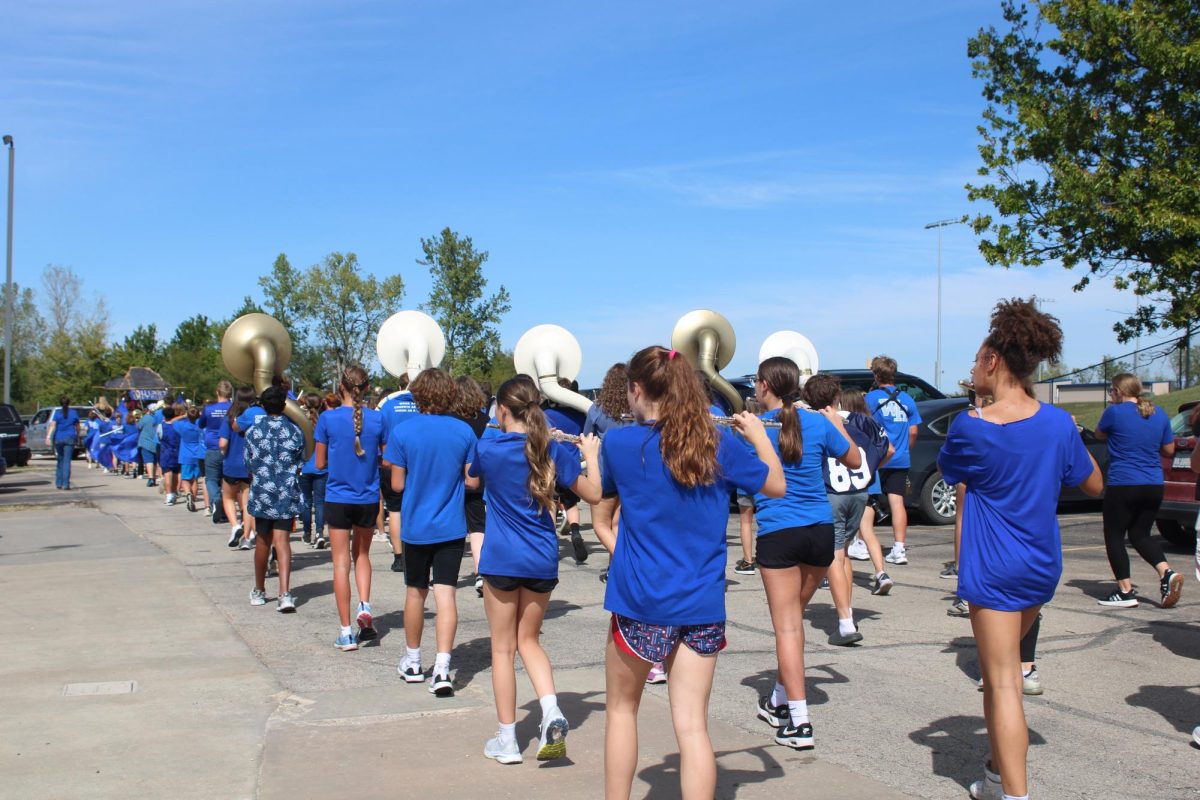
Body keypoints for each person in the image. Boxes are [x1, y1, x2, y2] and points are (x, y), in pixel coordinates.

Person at [590, 346, 784, 800]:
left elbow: (601, 499)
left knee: (621, 711)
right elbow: (776, 484)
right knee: (692, 724)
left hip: (640, 601)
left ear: (636, 390)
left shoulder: (619, 444)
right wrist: (757, 434)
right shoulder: (716, 442)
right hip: (700, 603)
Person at [937, 298, 1103, 800]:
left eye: (975, 359)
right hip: (1040, 564)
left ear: (993, 361)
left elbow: (950, 472)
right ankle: (993, 777)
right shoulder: (1057, 423)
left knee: (1003, 684)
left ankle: (1015, 794)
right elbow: (1094, 485)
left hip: (994, 569)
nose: (971, 369)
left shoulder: (972, 426)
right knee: (999, 672)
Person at [471, 375, 602, 764]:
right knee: (529, 641)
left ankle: (508, 739)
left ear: (503, 410)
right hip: (541, 558)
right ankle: (552, 711)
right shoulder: (552, 450)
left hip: (502, 558)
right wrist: (590, 455)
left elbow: (471, 479)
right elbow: (594, 494)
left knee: (502, 647)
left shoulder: (489, 446)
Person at [747, 359, 860, 749]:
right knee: (793, 623)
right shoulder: (816, 423)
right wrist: (836, 422)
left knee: (788, 629)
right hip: (819, 532)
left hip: (780, 531)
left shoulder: (757, 427)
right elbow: (855, 460)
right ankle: (779, 699)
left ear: (764, 386)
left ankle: (799, 720)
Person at [384, 368, 478, 695]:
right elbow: (473, 481)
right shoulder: (464, 431)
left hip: (415, 526)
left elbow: (396, 483)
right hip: (451, 525)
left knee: (415, 593)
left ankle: (412, 661)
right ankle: (442, 667)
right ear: (450, 394)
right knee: (446, 594)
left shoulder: (403, 432)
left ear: (418, 395)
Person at [804, 376, 891, 646]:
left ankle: (844, 622)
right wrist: (869, 470)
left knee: (834, 555)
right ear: (837, 394)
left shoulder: (814, 421)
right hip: (859, 492)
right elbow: (888, 448)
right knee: (843, 555)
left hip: (832, 492)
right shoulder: (861, 420)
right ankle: (847, 612)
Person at [1093, 373, 1182, 608]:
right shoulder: (1159, 413)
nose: (1111, 396)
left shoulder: (1114, 412)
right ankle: (1166, 572)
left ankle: (1125, 591)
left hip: (1124, 483)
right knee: (1140, 534)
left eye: (1112, 392)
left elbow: (1099, 434)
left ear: (1119, 391)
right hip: (1153, 484)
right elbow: (1169, 450)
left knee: (1114, 535)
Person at [314, 366, 387, 651]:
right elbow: (385, 457)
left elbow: (319, 463)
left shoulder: (328, 418)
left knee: (341, 562)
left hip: (338, 496)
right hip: (368, 497)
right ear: (366, 388)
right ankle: (365, 605)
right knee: (363, 555)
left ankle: (346, 632)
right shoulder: (378, 419)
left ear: (341, 386)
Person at [245, 386, 305, 613]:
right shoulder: (295, 431)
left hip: (262, 494)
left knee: (262, 541)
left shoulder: (252, 431)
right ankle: (285, 593)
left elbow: (248, 464)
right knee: (283, 541)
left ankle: (259, 590)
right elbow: (300, 463)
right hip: (286, 492)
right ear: (284, 405)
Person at [865, 356, 922, 565]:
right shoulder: (907, 399)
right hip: (900, 457)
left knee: (869, 500)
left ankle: (863, 542)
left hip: (878, 458)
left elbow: (865, 426)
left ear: (877, 375)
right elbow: (914, 431)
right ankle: (899, 548)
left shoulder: (871, 399)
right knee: (897, 502)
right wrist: (905, 449)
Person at [453, 377, 491, 598]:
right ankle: (480, 572)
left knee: (455, 528)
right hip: (480, 478)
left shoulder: (449, 420)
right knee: (478, 527)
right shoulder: (486, 420)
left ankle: (444, 572)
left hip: (455, 480)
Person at [544, 378, 590, 564]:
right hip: (572, 463)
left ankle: (551, 541)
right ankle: (576, 532)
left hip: (551, 462)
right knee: (571, 503)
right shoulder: (580, 413)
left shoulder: (545, 413)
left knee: (551, 502)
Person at [378, 374, 419, 572]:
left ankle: (398, 556)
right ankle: (414, 552)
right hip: (417, 464)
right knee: (416, 508)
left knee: (394, 510)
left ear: (399, 385)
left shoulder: (387, 405)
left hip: (391, 462)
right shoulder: (422, 404)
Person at [220, 387, 256, 549]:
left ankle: (235, 526)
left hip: (231, 463)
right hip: (249, 465)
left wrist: (223, 454)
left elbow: (223, 443)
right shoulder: (256, 417)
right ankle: (247, 538)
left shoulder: (229, 419)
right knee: (247, 503)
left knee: (228, 497)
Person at [299, 394, 329, 549]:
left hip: (303, 467)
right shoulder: (324, 421)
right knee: (319, 502)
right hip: (321, 466)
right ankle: (319, 533)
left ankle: (306, 532)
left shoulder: (300, 421)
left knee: (305, 501)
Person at [201, 381, 233, 518]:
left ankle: (216, 498)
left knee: (211, 479)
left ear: (217, 392)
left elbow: (201, 423)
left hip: (213, 446)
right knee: (227, 479)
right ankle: (226, 506)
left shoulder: (208, 409)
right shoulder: (234, 408)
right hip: (231, 447)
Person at [45, 396, 82, 490]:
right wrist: (78, 436)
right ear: (69, 403)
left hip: (58, 438)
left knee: (60, 460)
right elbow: (78, 426)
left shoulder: (57, 413)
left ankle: (58, 483)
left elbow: (53, 425)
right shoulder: (73, 413)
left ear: (60, 403)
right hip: (70, 437)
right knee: (67, 461)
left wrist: (48, 437)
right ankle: (66, 484)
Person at [176, 405, 206, 512]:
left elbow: (172, 421)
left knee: (185, 479)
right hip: (198, 454)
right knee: (195, 480)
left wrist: (183, 415)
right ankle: (192, 500)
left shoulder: (182, 425)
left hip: (185, 455)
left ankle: (188, 494)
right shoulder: (200, 425)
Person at [158, 405, 181, 505]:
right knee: (176, 474)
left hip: (166, 452)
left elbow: (159, 437)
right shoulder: (178, 425)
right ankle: (175, 492)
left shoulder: (161, 426)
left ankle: (169, 495)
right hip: (178, 451)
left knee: (168, 474)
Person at [137, 405, 160, 488]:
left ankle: (150, 478)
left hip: (145, 441)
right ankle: (153, 478)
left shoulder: (146, 418)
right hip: (156, 442)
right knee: (154, 461)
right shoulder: (158, 418)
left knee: (148, 460)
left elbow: (139, 426)